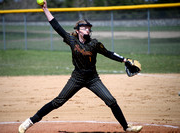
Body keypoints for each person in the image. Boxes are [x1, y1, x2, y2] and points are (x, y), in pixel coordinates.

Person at [18, 1, 143, 133]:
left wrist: (124, 60)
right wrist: (45, 9)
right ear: (77, 31)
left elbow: (108, 53)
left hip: (93, 79)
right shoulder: (72, 40)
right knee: (58, 102)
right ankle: (29, 122)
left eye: (89, 27)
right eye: (84, 27)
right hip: (76, 78)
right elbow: (56, 26)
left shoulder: (94, 44)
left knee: (111, 100)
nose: (88, 29)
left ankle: (127, 127)